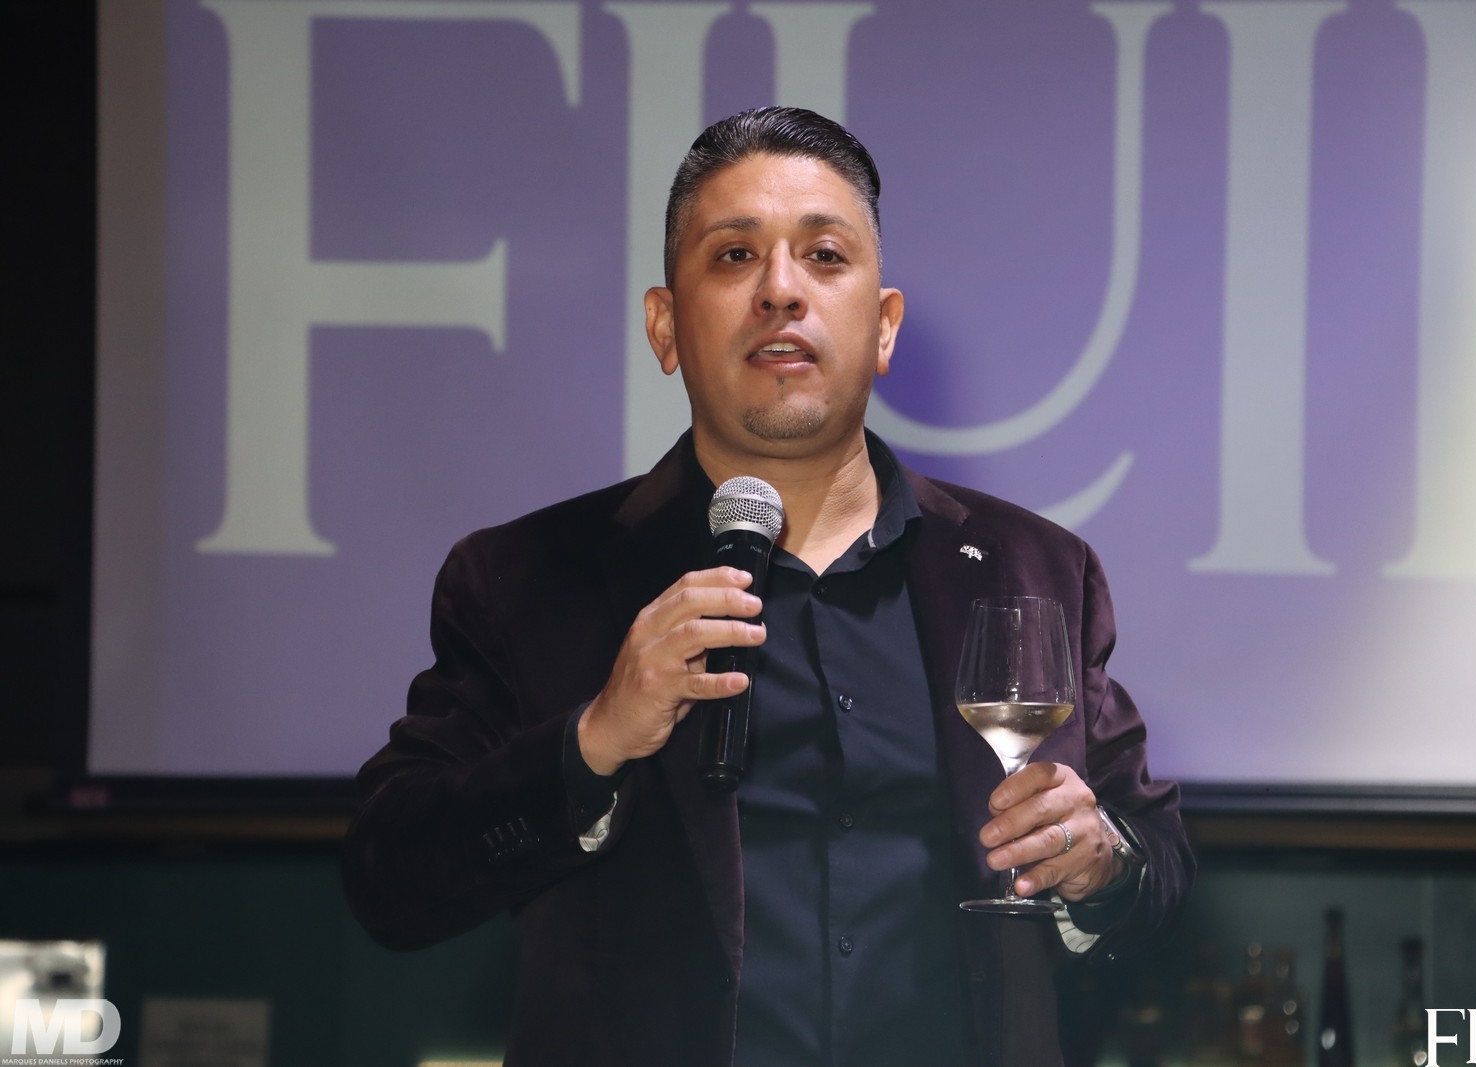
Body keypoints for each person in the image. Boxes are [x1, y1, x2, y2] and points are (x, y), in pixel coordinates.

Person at [343, 106, 1193, 1067]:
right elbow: (390, 880)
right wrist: (593, 741)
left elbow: (1157, 865)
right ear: (666, 326)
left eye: (824, 256)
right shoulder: (529, 580)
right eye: (735, 256)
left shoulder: (1032, 567)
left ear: (883, 326)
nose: (781, 289)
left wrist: (1102, 861)